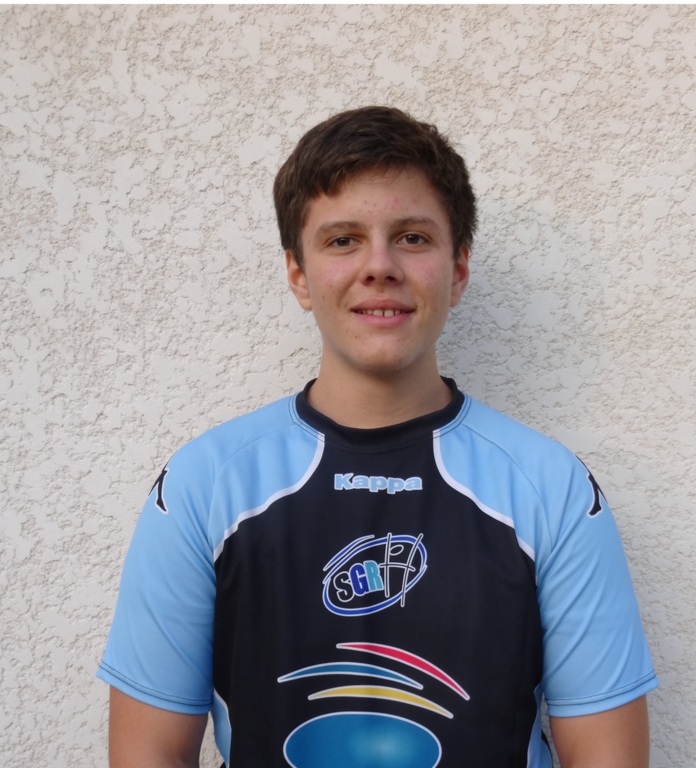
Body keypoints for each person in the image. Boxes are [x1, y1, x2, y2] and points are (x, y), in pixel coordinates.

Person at [98, 106, 657, 768]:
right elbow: (149, 753)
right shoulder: (204, 484)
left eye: (413, 237)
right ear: (299, 275)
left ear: (458, 269)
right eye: (343, 240)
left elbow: (607, 758)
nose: (380, 266)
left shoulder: (552, 488)